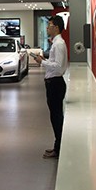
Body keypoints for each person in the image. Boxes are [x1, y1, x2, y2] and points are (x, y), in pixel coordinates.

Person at [33, 16, 68, 159]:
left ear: (56, 27)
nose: (47, 28)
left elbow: (58, 67)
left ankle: (58, 149)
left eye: (50, 25)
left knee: (57, 117)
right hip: (53, 83)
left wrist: (42, 62)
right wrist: (45, 61)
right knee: (55, 117)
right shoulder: (56, 43)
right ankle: (57, 146)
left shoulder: (58, 44)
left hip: (55, 84)